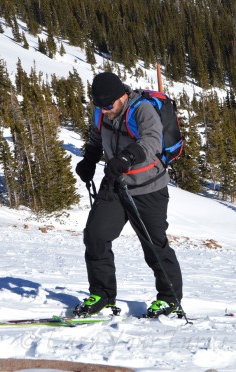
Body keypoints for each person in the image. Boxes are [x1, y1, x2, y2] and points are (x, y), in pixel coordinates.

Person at [74, 72, 183, 318]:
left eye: (108, 106)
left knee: (154, 245)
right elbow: (95, 136)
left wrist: (126, 157)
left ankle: (169, 299)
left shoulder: (141, 109)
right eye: (99, 106)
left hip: (148, 187)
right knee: (95, 235)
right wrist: (89, 160)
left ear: (121, 96)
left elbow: (151, 141)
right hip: (115, 183)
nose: (104, 111)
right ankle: (102, 294)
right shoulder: (101, 112)